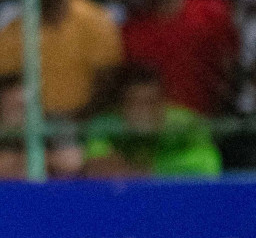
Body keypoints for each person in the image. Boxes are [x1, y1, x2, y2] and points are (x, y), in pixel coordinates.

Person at [0, 0, 123, 116]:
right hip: (34, 131)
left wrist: (73, 122)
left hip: (89, 128)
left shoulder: (97, 20)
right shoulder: (10, 33)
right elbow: (8, 90)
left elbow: (108, 85)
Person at [121, 0, 238, 115]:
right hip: (156, 132)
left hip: (213, 123)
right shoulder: (131, 31)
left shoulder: (215, 13)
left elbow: (232, 70)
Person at [83, 64, 222, 177]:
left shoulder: (186, 125)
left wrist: (152, 171)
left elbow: (209, 164)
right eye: (135, 102)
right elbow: (96, 165)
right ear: (121, 107)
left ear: (164, 103)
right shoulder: (106, 126)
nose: (144, 110)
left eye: (151, 102)